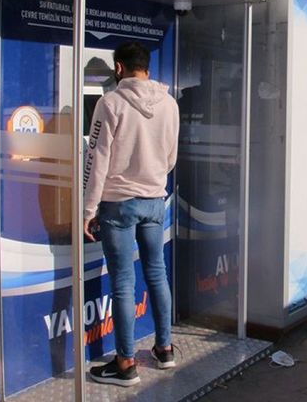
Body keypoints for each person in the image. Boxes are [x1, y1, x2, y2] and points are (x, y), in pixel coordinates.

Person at [84, 41, 179, 387]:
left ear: (119, 68)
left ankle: (125, 364)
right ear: (147, 69)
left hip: (119, 203)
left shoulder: (108, 104)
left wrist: (87, 208)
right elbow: (170, 158)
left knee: (123, 280)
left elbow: (96, 162)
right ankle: (164, 349)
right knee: (157, 273)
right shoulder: (169, 104)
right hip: (155, 200)